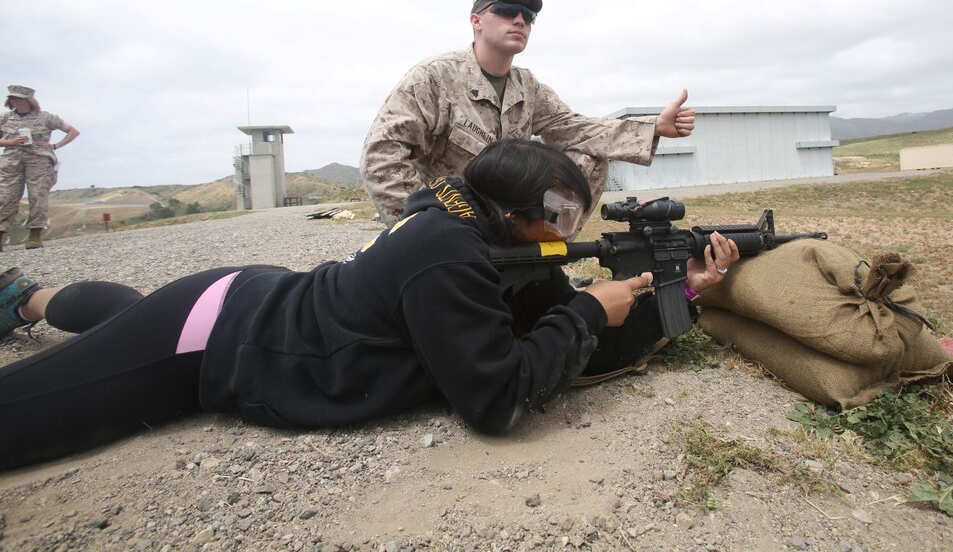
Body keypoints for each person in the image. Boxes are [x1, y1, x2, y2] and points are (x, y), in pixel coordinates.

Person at [0, 138, 739, 470]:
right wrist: (585, 310)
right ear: (515, 214)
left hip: (241, 297)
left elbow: (568, 351)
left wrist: (690, 288)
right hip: (218, 333)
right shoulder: (446, 251)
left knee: (131, 313)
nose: (571, 237)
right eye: (564, 220)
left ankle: (26, 296)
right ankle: (24, 297)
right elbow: (497, 398)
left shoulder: (492, 239)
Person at [362, 0, 698, 227]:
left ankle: (544, 252)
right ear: (476, 19)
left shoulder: (528, 88)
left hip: (507, 215)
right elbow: (382, 154)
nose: (520, 20)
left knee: (590, 155)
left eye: (529, 15)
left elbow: (577, 129)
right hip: (451, 220)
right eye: (507, 10)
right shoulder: (434, 78)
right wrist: (422, 228)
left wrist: (654, 126)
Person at [0, 85, 80, 250]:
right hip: (11, 162)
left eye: (18, 98)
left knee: (38, 196)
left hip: (39, 160)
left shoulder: (46, 117)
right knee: (6, 197)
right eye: (12, 98)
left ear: (28, 100)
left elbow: (73, 131)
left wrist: (55, 146)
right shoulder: (5, 118)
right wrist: (11, 142)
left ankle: (35, 235)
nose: (14, 101)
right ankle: (1, 234)